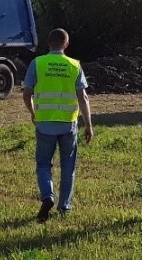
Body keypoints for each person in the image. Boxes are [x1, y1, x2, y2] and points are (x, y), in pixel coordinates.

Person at [22, 28, 93, 223]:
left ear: (48, 43)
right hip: (68, 124)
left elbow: (26, 93)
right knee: (68, 166)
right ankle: (65, 207)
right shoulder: (74, 65)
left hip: (44, 123)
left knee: (43, 164)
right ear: (67, 44)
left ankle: (47, 196)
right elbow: (83, 97)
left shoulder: (37, 64)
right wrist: (88, 124)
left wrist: (32, 112)